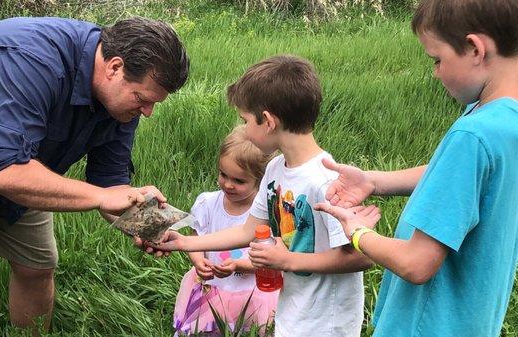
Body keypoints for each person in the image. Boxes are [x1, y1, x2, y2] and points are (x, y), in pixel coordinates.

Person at [0, 16, 189, 330]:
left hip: (20, 171)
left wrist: (153, 228)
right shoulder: (35, 59)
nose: (148, 112)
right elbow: (4, 171)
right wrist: (102, 197)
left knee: (37, 266)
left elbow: (111, 184)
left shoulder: (121, 104)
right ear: (114, 67)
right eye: (143, 99)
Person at [314, 0, 518, 336]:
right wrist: (373, 181)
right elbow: (459, 179)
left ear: (475, 48)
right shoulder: (502, 122)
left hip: (427, 325)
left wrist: (357, 232)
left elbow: (416, 262)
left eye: (437, 60)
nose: (435, 71)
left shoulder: (474, 135)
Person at [156, 55, 373, 337]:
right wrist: (183, 241)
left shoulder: (326, 181)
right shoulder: (274, 169)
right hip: (292, 312)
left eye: (245, 120)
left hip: (326, 324)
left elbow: (361, 258)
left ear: (268, 121)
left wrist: (287, 261)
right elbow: (247, 230)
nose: (244, 128)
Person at [173, 126, 278, 336]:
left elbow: (272, 260)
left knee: (246, 330)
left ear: (260, 180)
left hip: (249, 292)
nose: (228, 184)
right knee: (204, 328)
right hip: (211, 287)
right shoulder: (208, 203)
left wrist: (239, 265)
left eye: (239, 181)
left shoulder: (266, 213)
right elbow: (196, 237)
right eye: (223, 174)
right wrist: (197, 260)